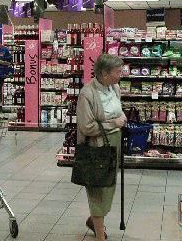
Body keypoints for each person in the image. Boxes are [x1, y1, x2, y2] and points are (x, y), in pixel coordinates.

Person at [76, 54, 127, 241]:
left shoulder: (115, 88)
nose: (121, 74)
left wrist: (121, 119)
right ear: (104, 73)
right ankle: (100, 237)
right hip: (96, 147)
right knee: (98, 188)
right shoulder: (87, 94)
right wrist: (114, 123)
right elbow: (87, 127)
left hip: (114, 144)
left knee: (109, 185)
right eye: (117, 72)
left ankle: (93, 220)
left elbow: (117, 111)